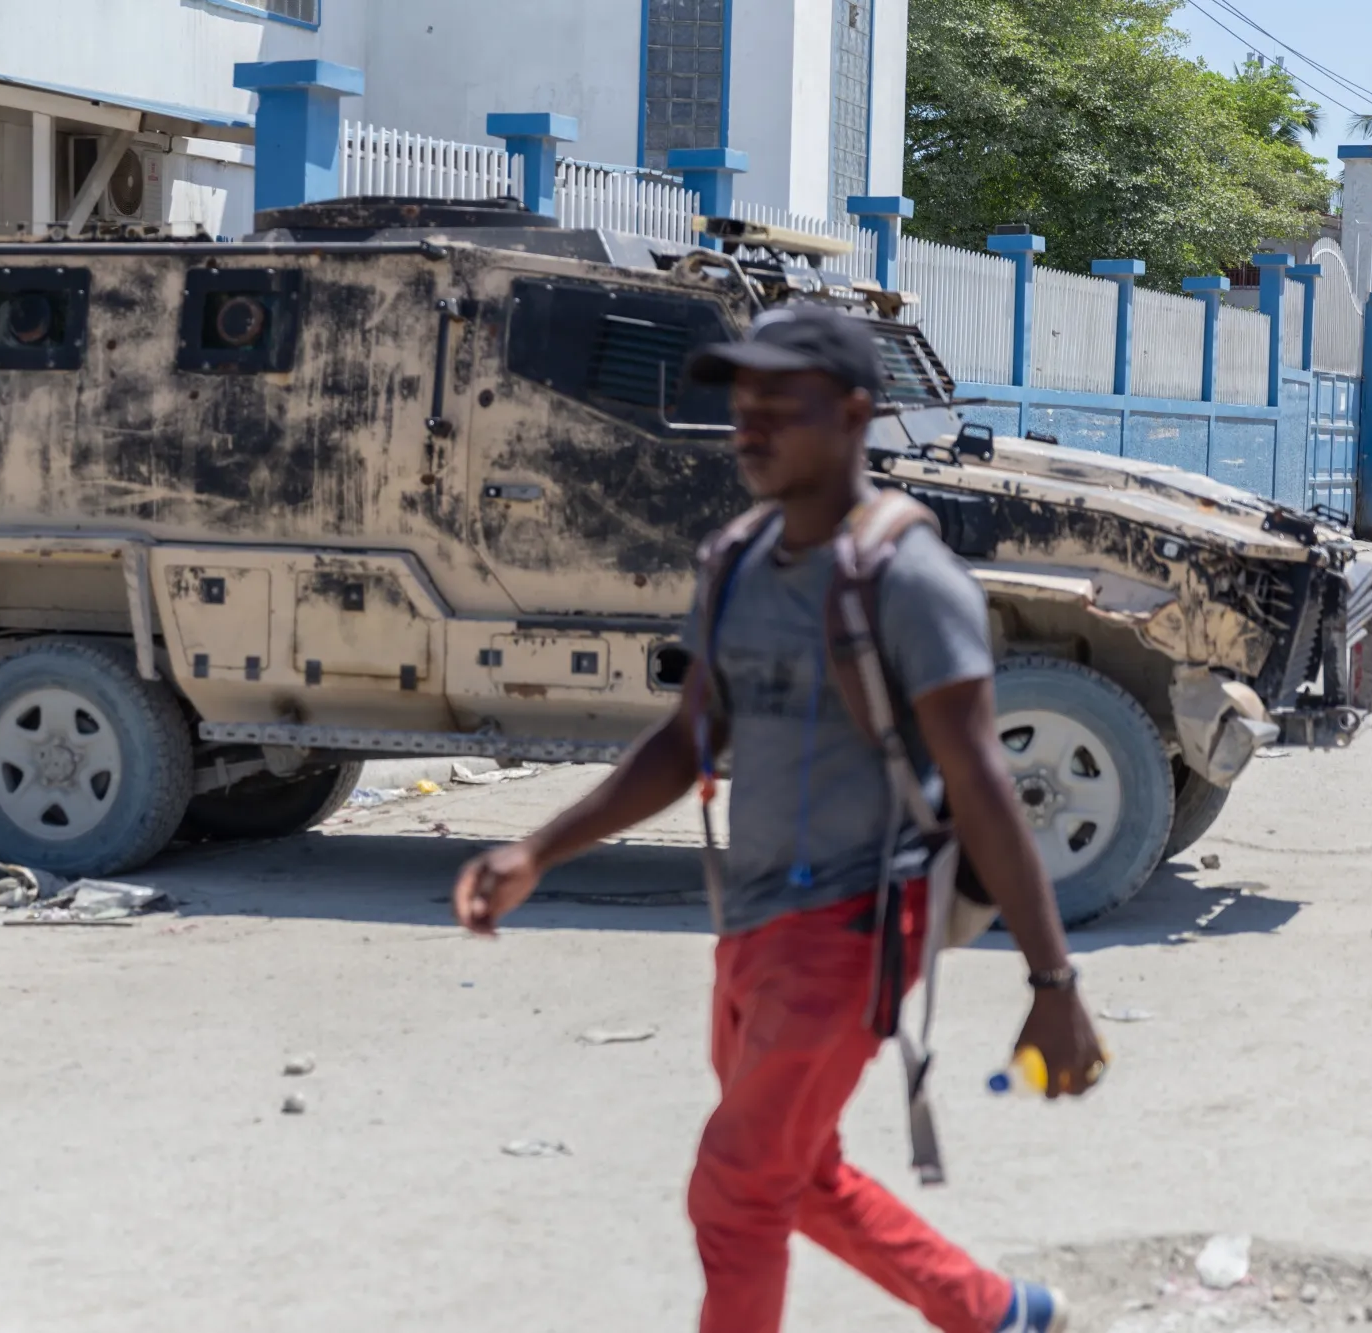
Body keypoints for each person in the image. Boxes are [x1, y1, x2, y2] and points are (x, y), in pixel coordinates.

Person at [451, 305, 1104, 1333]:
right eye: (741, 403)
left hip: (853, 927)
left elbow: (982, 784)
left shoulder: (908, 579)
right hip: (752, 921)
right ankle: (996, 1311)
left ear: (854, 415)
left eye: (778, 405)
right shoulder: (736, 558)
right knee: (793, 1167)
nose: (747, 426)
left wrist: (1051, 982)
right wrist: (537, 850)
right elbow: (687, 740)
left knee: (736, 1186)